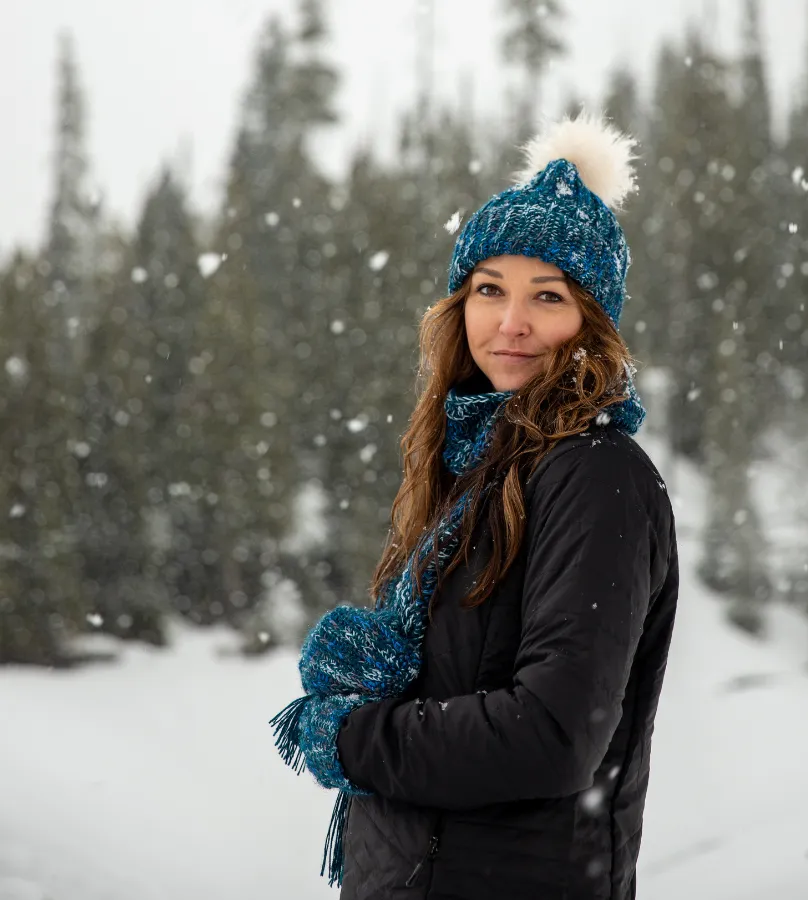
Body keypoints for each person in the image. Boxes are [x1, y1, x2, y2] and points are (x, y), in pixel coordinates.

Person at [270, 111, 679, 900]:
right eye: (489, 289)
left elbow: (553, 737)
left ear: (591, 325)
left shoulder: (596, 476)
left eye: (548, 297)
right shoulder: (472, 468)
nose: (510, 323)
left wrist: (357, 736)